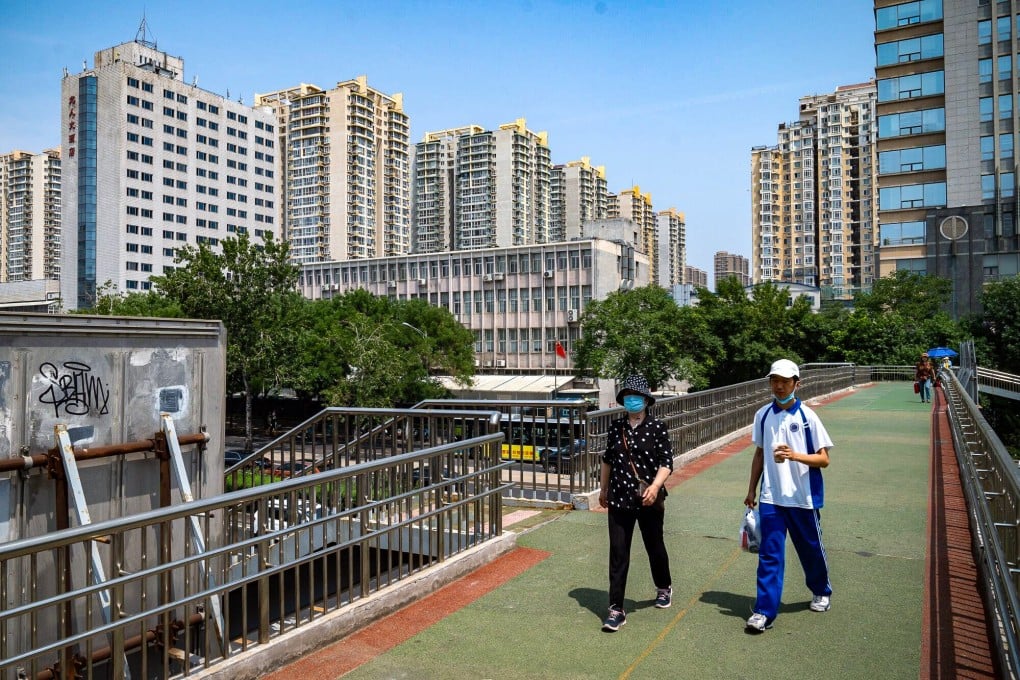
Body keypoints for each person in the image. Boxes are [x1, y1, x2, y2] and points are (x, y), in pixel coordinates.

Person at [743, 359, 834, 633]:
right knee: (769, 555)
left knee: (810, 549)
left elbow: (824, 459)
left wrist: (794, 456)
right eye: (775, 381)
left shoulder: (807, 417)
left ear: (797, 383)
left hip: (803, 498)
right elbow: (759, 453)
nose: (779, 386)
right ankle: (764, 612)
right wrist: (751, 489)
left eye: (785, 381)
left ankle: (821, 589)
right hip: (771, 498)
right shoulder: (763, 415)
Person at [598, 375, 674, 632]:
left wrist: (655, 486)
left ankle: (663, 586)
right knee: (618, 553)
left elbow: (666, 463)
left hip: (648, 498)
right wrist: (603, 489)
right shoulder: (616, 427)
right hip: (619, 498)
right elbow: (607, 460)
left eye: (636, 396)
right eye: (627, 396)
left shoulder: (657, 427)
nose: (631, 400)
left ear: (646, 400)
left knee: (654, 546)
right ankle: (616, 609)